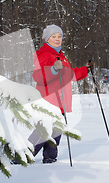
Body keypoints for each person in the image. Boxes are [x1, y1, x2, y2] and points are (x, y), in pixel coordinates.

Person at [27, 24, 94, 164]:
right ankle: (22, 157)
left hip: (60, 101)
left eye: (59, 36)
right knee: (43, 131)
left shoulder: (60, 56)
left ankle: (50, 158)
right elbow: (38, 76)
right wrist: (52, 70)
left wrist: (86, 70)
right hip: (48, 100)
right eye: (54, 37)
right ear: (47, 39)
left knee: (56, 131)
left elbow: (69, 74)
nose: (57, 39)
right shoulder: (44, 54)